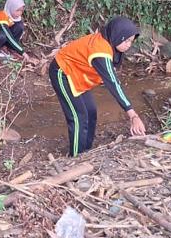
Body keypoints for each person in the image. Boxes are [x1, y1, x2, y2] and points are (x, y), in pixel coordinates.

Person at [49, 17, 146, 156]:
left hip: (77, 74)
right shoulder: (101, 51)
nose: (129, 45)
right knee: (78, 117)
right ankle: (76, 158)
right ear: (118, 35)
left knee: (91, 111)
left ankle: (86, 151)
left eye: (131, 41)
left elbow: (109, 76)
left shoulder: (109, 42)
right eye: (126, 40)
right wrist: (133, 115)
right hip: (62, 72)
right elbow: (113, 84)